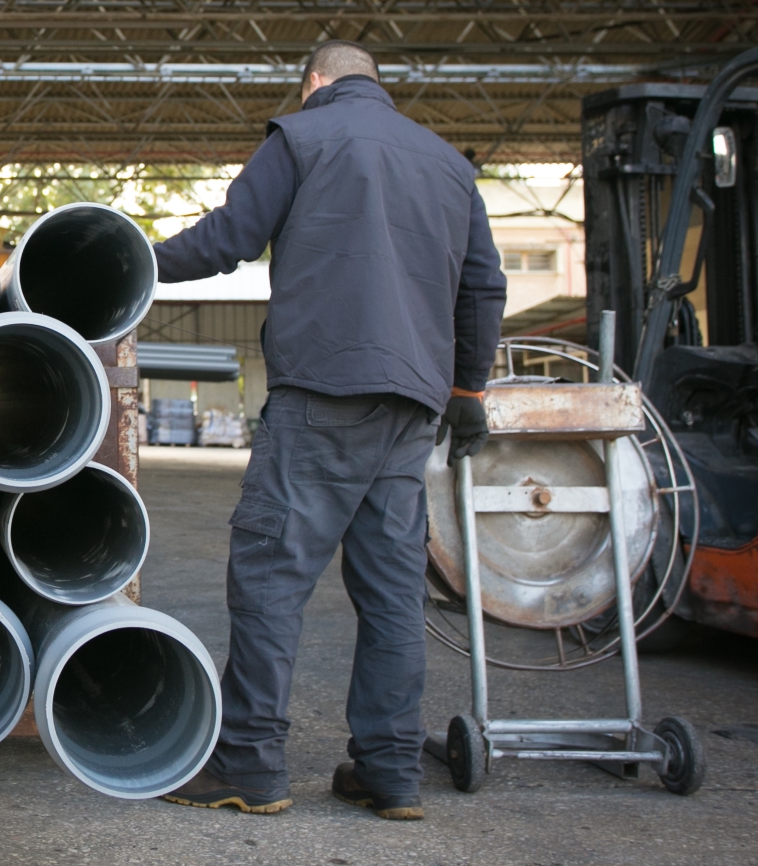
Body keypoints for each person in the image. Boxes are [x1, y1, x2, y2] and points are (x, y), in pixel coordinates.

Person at [155, 40, 507, 821]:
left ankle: (249, 763)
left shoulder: (302, 135)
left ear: (314, 81)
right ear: (376, 84)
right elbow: (483, 283)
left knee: (271, 577)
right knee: (390, 595)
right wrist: (468, 388)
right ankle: (389, 773)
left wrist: (130, 259)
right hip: (411, 409)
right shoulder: (450, 163)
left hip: (324, 393)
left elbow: (225, 240)